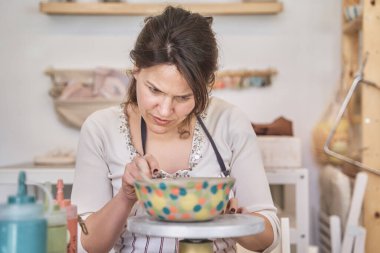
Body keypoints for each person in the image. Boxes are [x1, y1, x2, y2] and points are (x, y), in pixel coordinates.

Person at [71, 6, 280, 253]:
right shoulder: (100, 129)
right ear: (136, 69)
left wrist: (232, 221)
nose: (165, 110)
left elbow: (270, 236)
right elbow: (87, 245)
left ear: (205, 86)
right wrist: (126, 197)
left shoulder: (229, 122)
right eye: (155, 91)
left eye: (183, 97)